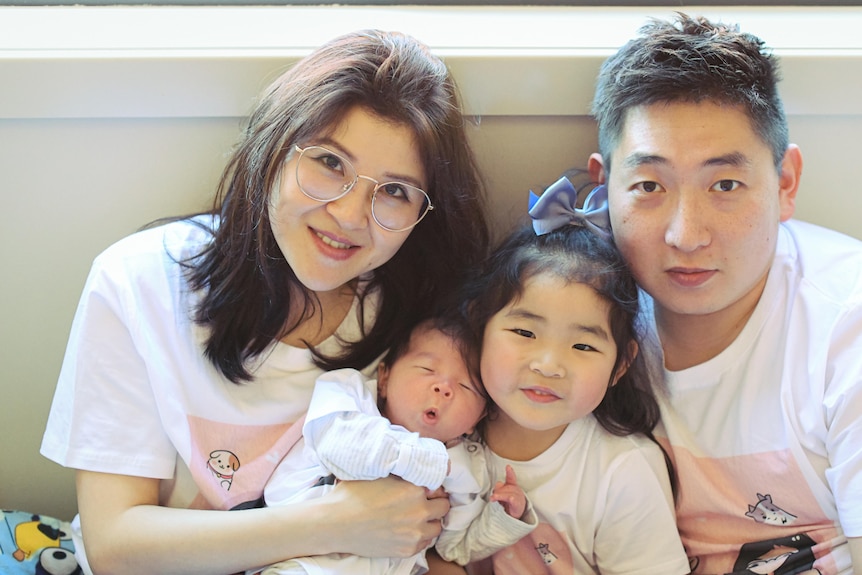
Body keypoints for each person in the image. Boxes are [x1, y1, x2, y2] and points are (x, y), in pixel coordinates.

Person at [40, 29, 490, 575]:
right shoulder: (138, 282)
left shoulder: (424, 332)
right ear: (273, 149)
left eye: (394, 192)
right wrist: (333, 521)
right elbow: (116, 544)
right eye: (329, 162)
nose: (349, 215)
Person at [587, 13, 862, 574]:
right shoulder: (571, 322)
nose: (686, 235)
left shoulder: (845, 327)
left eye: (726, 185)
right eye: (648, 186)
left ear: (785, 184)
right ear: (604, 189)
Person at [458, 177, 690, 574]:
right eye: (524, 333)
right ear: (480, 326)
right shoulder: (442, 428)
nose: (548, 365)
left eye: (583, 346)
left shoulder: (621, 471)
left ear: (620, 365)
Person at [253, 315, 537, 575]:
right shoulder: (350, 396)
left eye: (465, 386)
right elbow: (337, 448)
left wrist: (504, 518)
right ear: (385, 377)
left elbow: (455, 548)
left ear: (477, 418)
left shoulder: (466, 468)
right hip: (301, 560)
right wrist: (427, 462)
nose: (444, 387)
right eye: (427, 368)